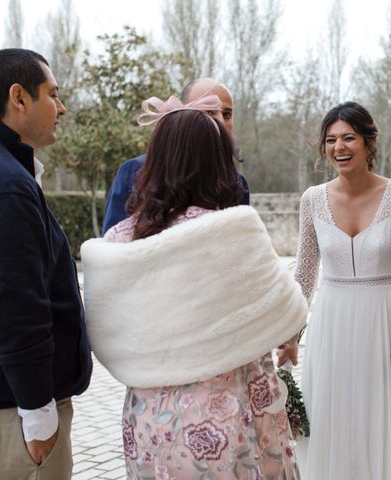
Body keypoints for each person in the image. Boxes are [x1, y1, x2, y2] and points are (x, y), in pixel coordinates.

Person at [81, 96, 307, 479]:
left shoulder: (119, 240)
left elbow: (105, 328)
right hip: (225, 414)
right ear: (217, 161)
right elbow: (288, 315)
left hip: (150, 417)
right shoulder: (231, 230)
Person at [282, 101, 391, 479]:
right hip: (332, 324)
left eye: (348, 138)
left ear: (368, 142)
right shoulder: (312, 199)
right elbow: (305, 272)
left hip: (384, 323)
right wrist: (291, 335)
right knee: (334, 415)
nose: (339, 148)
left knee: (382, 416)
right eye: (330, 140)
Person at [0, 49, 93, 479]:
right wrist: (38, 413)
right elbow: (13, 305)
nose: (61, 108)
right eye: (53, 94)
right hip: (11, 416)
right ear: (19, 97)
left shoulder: (3, 170)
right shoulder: (2, 183)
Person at [101, 77, 249, 234]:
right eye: (209, 112)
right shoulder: (134, 171)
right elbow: (111, 244)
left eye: (227, 114)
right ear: (182, 115)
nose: (220, 121)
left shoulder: (236, 183)